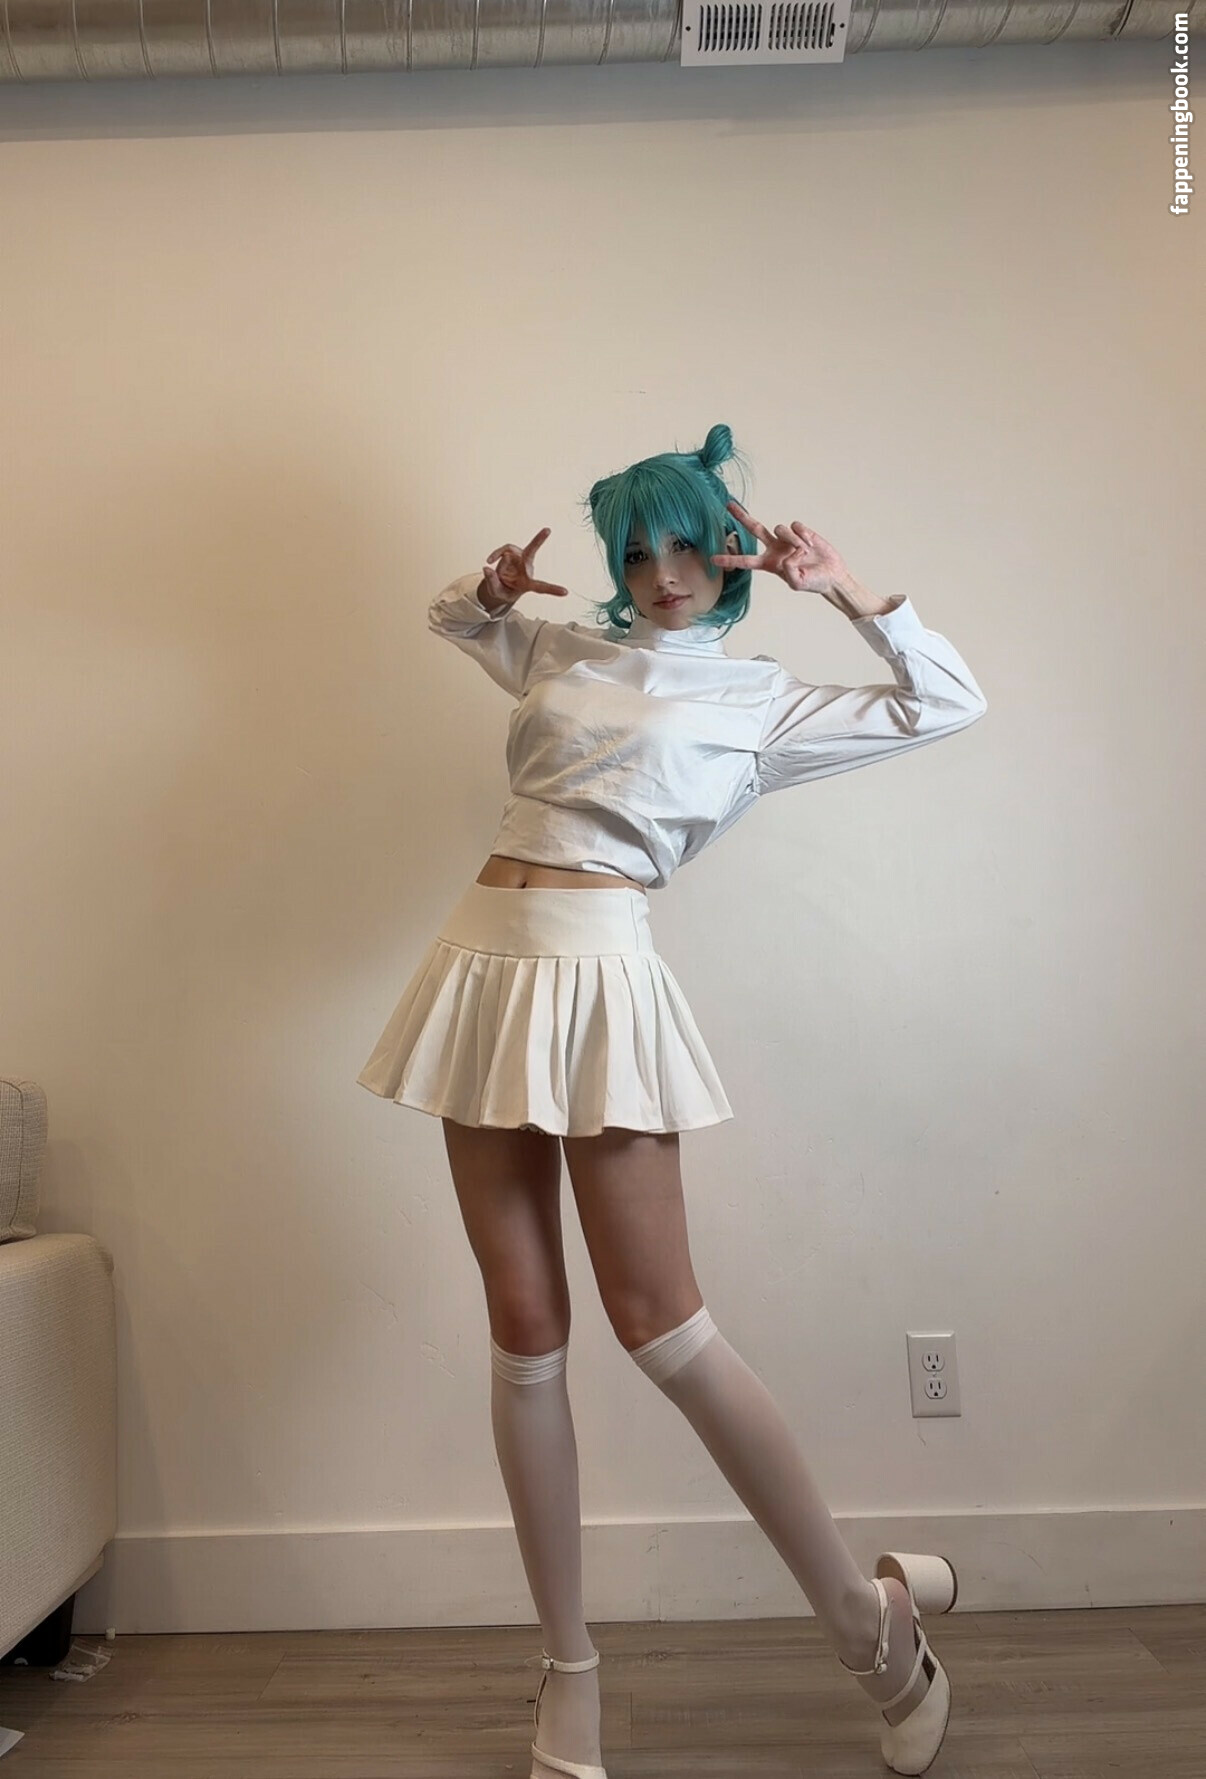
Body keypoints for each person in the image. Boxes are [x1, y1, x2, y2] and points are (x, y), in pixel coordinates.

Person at [357, 423, 986, 1779]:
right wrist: (487, 590)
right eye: (637, 552)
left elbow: (945, 701)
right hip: (482, 962)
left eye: (686, 547)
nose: (662, 574)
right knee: (525, 1333)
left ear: (728, 550)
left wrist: (847, 592)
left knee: (663, 1327)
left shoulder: (756, 698)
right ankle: (568, 1673)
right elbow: (454, 621)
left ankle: (869, 1626)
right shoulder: (567, 652)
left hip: (601, 975)